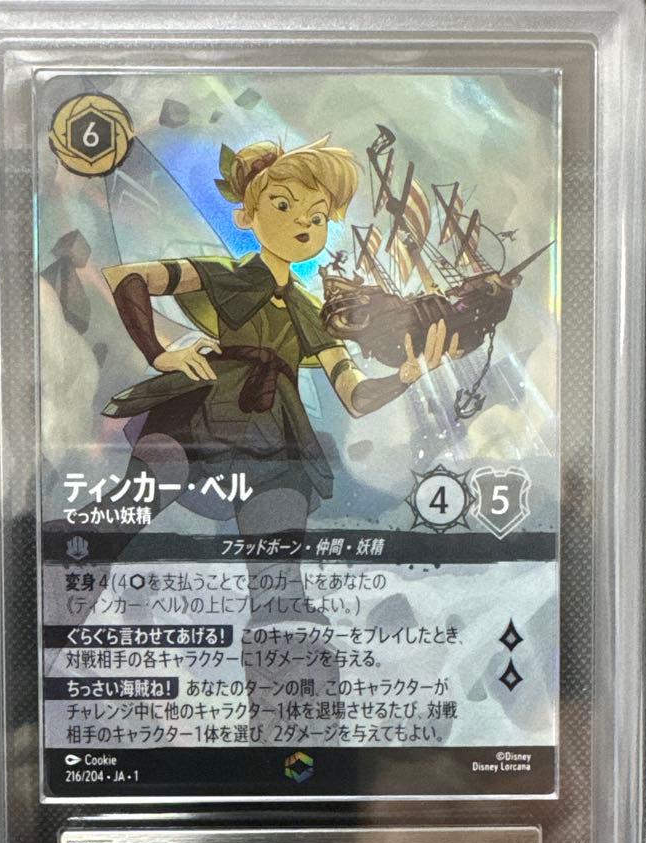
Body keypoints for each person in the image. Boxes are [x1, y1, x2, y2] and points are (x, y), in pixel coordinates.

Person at [100, 134, 462, 544]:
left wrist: (405, 377)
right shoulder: (225, 275)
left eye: (317, 216)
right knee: (112, 525)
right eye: (284, 205)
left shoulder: (313, 311)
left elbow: (355, 396)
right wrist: (159, 354)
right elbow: (127, 277)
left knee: (278, 562)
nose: (303, 223)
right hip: (199, 415)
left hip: (276, 439)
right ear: (247, 217)